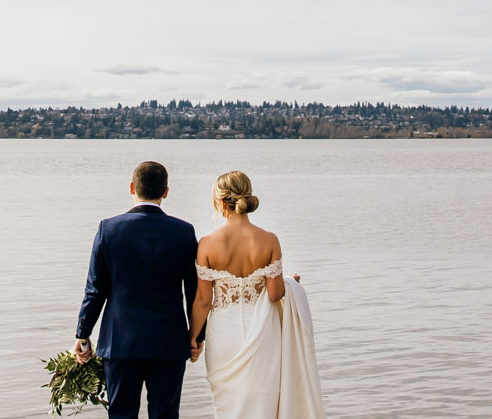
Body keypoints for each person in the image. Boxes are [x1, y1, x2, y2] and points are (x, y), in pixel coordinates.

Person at [191, 171, 327, 419]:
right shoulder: (269, 240)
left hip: (223, 335)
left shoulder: (207, 243)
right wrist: (290, 282)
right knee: (264, 403)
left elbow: (203, 300)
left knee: (227, 405)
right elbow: (275, 294)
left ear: (221, 202)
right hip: (264, 330)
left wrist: (193, 338)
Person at [74, 160, 200, 419]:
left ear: (132, 187)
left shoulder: (108, 230)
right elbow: (194, 292)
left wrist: (83, 334)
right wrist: (196, 337)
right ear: (166, 191)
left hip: (121, 344)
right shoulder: (184, 232)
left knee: (121, 415)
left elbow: (95, 289)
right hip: (168, 343)